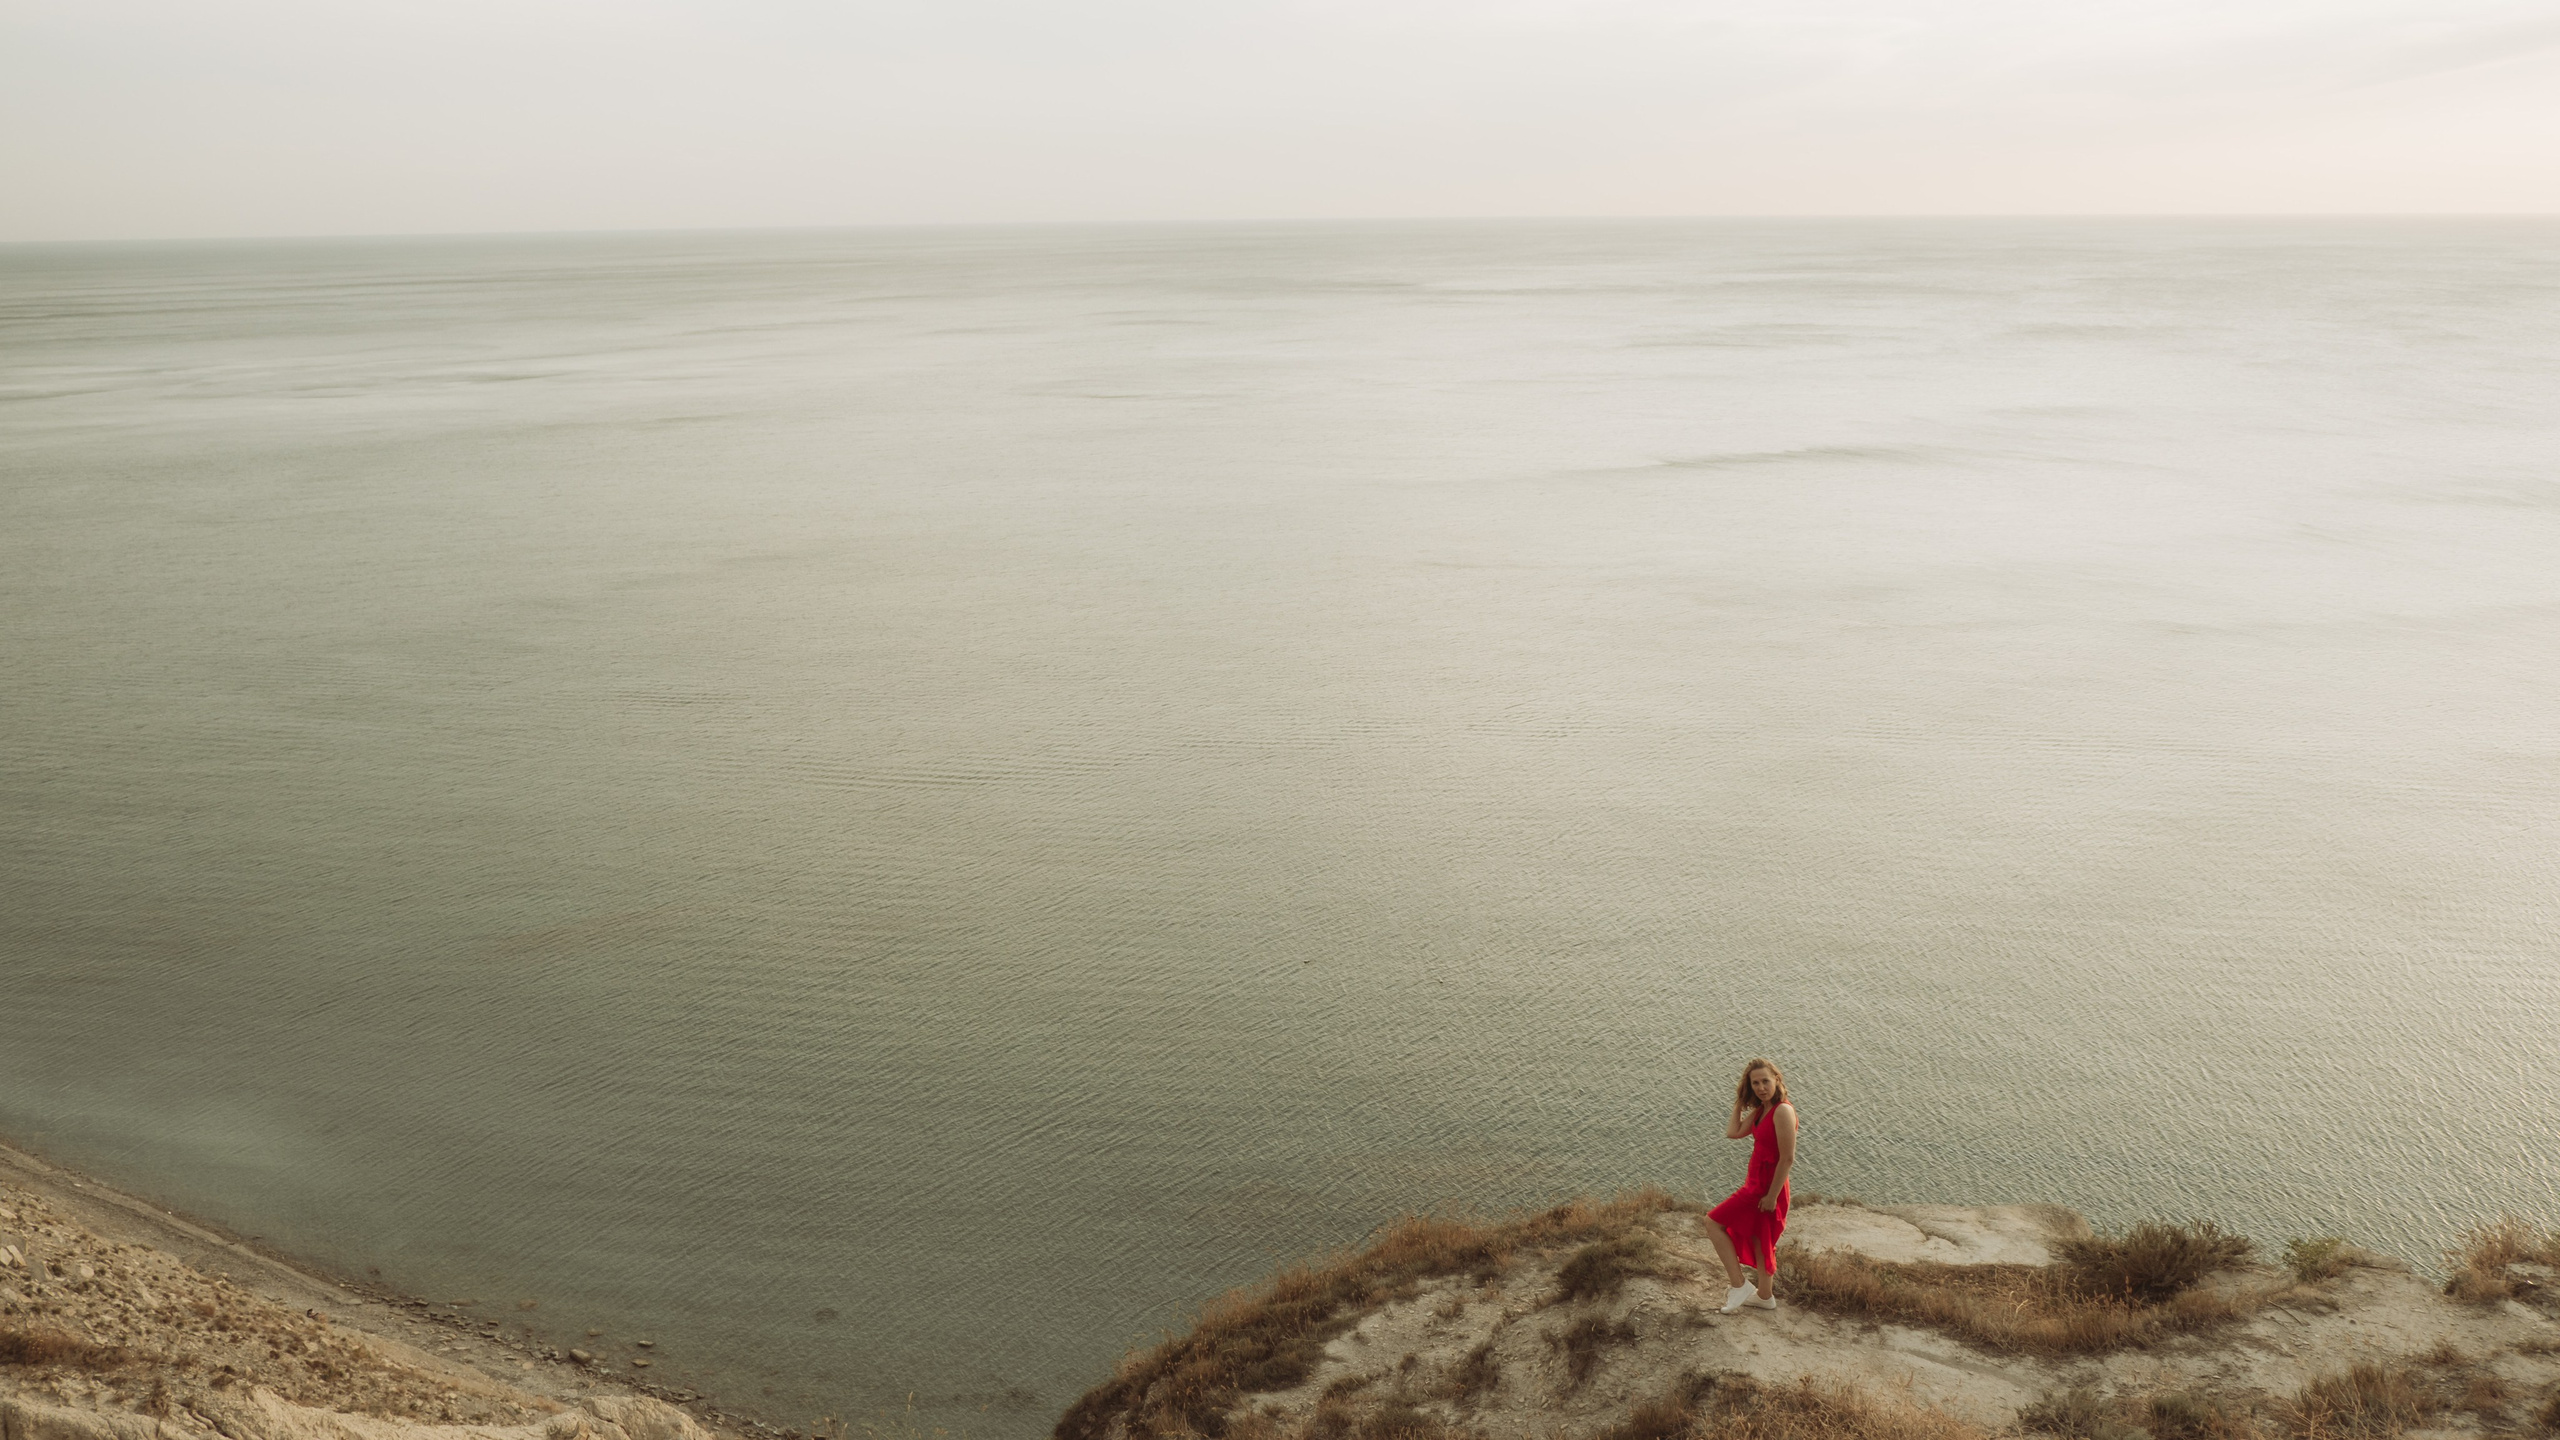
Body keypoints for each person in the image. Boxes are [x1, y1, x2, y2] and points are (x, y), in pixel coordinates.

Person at [1706, 1057, 1797, 1313]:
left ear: (1777, 1080)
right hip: (1757, 1183)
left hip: (1767, 1188)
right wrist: (1739, 1101)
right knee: (1760, 1240)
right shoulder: (1761, 1110)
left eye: (1765, 1081)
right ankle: (1765, 1297)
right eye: (1755, 1083)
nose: (1761, 1087)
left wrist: (1771, 1196)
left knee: (1712, 1223)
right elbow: (1733, 1132)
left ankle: (1739, 1286)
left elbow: (1787, 1158)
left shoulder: (1782, 1111)